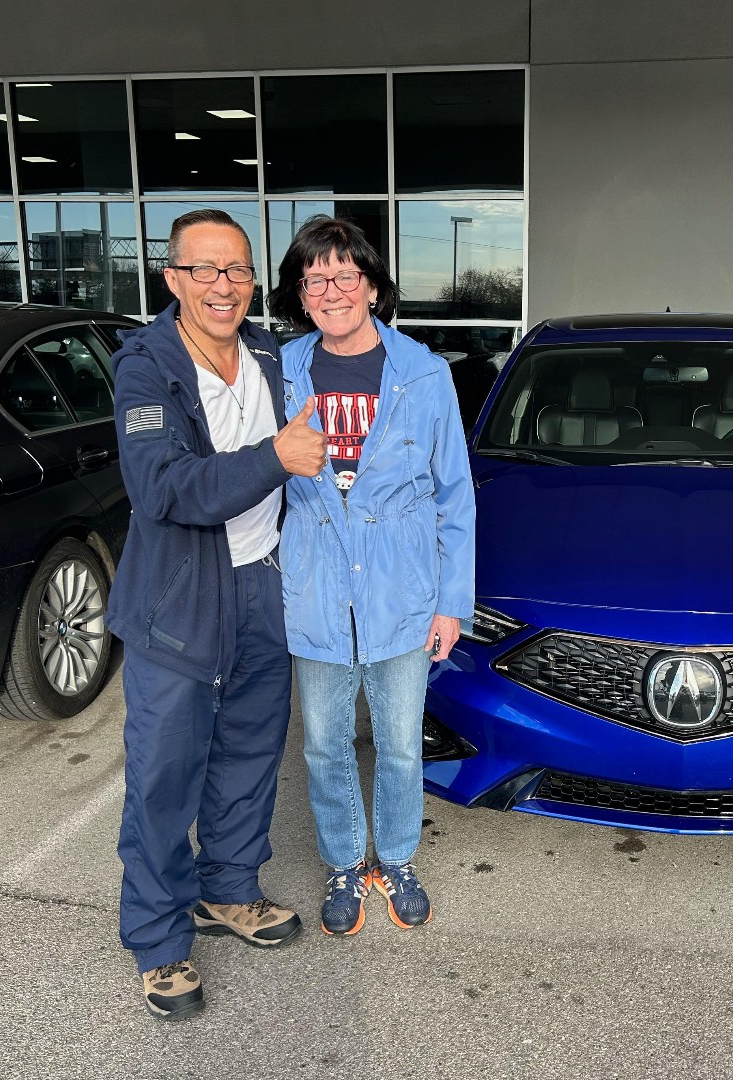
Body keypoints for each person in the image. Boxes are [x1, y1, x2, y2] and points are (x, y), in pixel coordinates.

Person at [107, 208, 328, 1019]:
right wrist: (275, 457)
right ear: (172, 278)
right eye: (205, 270)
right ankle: (160, 942)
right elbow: (164, 489)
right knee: (165, 773)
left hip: (262, 585)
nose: (224, 286)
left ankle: (228, 891)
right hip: (179, 598)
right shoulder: (146, 368)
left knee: (248, 753)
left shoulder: (269, 353)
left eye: (237, 269)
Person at [267, 216, 475, 936]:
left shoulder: (424, 374)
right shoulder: (282, 370)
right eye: (314, 278)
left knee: (398, 739)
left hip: (402, 594)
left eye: (344, 275)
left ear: (373, 287)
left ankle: (397, 858)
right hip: (319, 591)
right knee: (323, 742)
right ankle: (343, 864)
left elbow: (456, 496)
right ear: (302, 294)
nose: (331, 289)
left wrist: (452, 603)